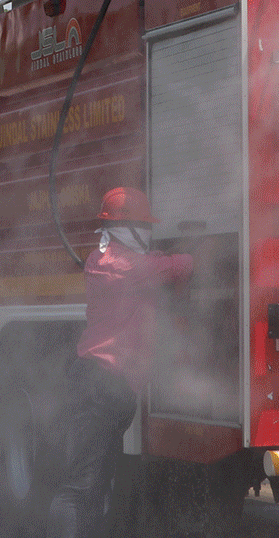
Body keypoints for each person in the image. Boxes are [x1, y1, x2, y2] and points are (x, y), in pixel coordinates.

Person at [47, 187, 193, 538]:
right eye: (143, 225)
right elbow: (179, 266)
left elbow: (148, 262)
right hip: (100, 385)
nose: (147, 232)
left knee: (95, 487)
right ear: (126, 226)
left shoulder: (105, 258)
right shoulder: (127, 266)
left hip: (105, 386)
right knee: (79, 487)